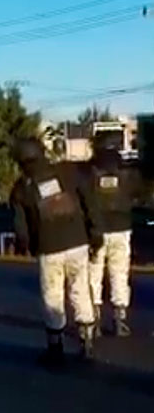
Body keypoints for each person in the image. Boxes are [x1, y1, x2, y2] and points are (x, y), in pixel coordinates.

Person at [10, 137, 102, 364]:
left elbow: (21, 227)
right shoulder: (68, 173)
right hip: (78, 242)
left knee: (53, 296)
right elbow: (89, 202)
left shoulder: (21, 188)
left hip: (48, 248)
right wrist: (95, 233)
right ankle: (87, 342)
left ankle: (55, 348)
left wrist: (28, 246)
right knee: (80, 290)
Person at [83, 143, 142, 337]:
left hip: (97, 230)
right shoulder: (127, 176)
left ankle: (95, 319)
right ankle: (120, 319)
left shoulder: (90, 176)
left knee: (94, 274)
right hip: (121, 229)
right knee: (119, 274)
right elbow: (136, 195)